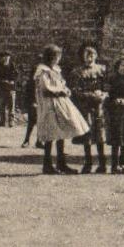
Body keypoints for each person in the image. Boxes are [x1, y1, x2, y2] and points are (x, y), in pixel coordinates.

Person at [33, 45, 89, 175]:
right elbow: (45, 89)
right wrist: (60, 91)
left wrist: (65, 89)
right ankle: (47, 165)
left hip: (60, 104)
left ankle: (61, 163)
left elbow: (61, 83)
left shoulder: (56, 70)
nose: (58, 59)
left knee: (62, 131)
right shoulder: (43, 71)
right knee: (51, 133)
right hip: (49, 104)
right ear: (51, 57)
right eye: (57, 57)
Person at [70, 45, 109, 174]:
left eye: (92, 55)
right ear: (83, 57)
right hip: (85, 106)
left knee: (100, 134)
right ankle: (88, 163)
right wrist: (90, 95)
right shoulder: (77, 72)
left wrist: (103, 94)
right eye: (87, 55)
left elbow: (107, 86)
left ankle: (102, 164)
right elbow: (75, 91)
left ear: (96, 56)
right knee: (87, 134)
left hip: (99, 107)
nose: (89, 58)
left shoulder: (102, 70)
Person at [0, 52, 17, 128]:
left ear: (9, 57)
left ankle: (11, 121)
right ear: (1, 58)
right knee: (2, 105)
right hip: (2, 87)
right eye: (4, 57)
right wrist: (2, 80)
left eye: (7, 56)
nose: (6, 58)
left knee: (11, 105)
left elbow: (16, 75)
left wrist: (12, 80)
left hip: (11, 88)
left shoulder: (12, 65)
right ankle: (2, 121)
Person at [20, 60, 39, 147]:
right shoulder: (30, 83)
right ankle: (26, 140)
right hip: (33, 104)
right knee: (31, 122)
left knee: (41, 123)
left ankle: (39, 141)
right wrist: (30, 104)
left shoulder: (42, 82)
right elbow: (27, 96)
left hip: (42, 104)